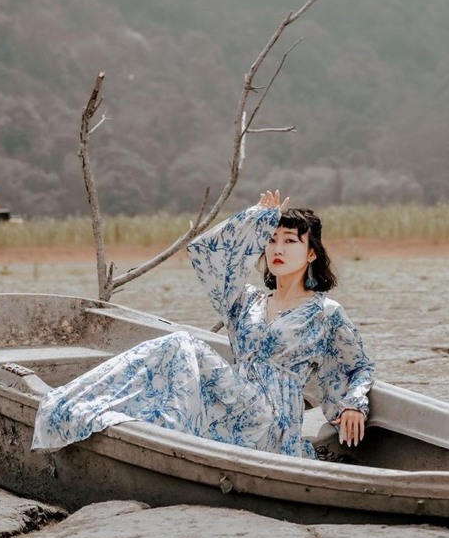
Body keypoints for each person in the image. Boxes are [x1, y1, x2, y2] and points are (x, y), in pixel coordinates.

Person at [31, 190, 374, 458]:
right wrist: (254, 219)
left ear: (311, 252)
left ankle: (170, 434)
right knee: (174, 347)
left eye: (289, 241)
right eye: (271, 240)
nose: (277, 249)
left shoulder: (325, 312)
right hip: (235, 397)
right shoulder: (246, 301)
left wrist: (353, 404)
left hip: (272, 419)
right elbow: (206, 252)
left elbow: (358, 366)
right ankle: (70, 405)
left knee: (182, 344)